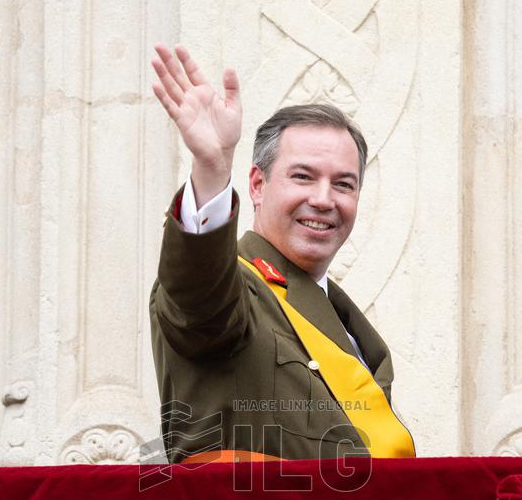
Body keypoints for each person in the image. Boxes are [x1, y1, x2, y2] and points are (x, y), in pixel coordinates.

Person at [149, 43, 415, 463]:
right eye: (303, 177)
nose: (324, 199)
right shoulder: (233, 290)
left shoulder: (344, 320)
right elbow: (196, 297)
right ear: (257, 185)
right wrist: (212, 170)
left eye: (344, 184)